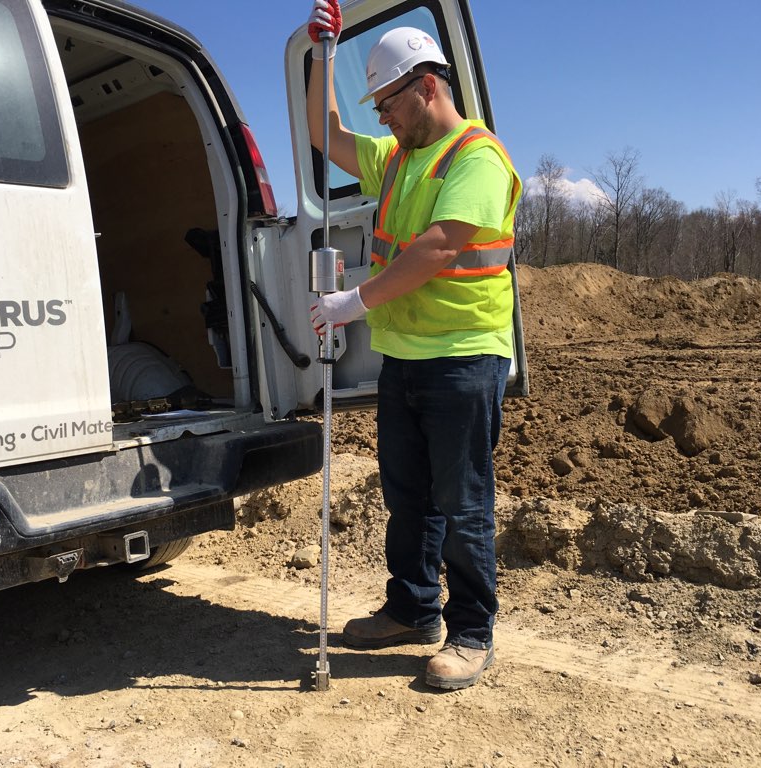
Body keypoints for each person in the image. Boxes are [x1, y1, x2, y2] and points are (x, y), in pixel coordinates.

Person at [305, 0, 522, 690]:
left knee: (461, 502)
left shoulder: (478, 158)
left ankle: (471, 632)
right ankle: (412, 608)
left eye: (388, 102)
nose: (382, 117)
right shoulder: (395, 160)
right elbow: (320, 129)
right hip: (406, 358)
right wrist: (322, 55)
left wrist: (353, 301)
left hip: (463, 357)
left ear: (427, 86)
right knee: (407, 496)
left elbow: (438, 246)